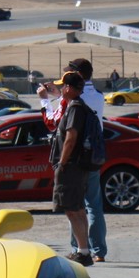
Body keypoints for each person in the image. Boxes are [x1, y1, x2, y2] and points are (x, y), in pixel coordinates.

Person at [38, 58, 108, 262]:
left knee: (73, 206)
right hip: (92, 155)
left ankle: (79, 247)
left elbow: (54, 124)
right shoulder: (97, 96)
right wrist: (59, 94)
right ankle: (98, 250)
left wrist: (45, 100)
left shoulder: (72, 104)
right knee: (93, 205)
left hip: (74, 160)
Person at [49, 71, 97, 266]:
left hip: (72, 166)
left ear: (69, 88)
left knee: (72, 208)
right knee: (77, 208)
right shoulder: (78, 106)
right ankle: (83, 250)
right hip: (78, 165)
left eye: (63, 86)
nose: (61, 89)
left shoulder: (75, 108)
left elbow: (71, 137)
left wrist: (62, 162)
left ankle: (83, 251)